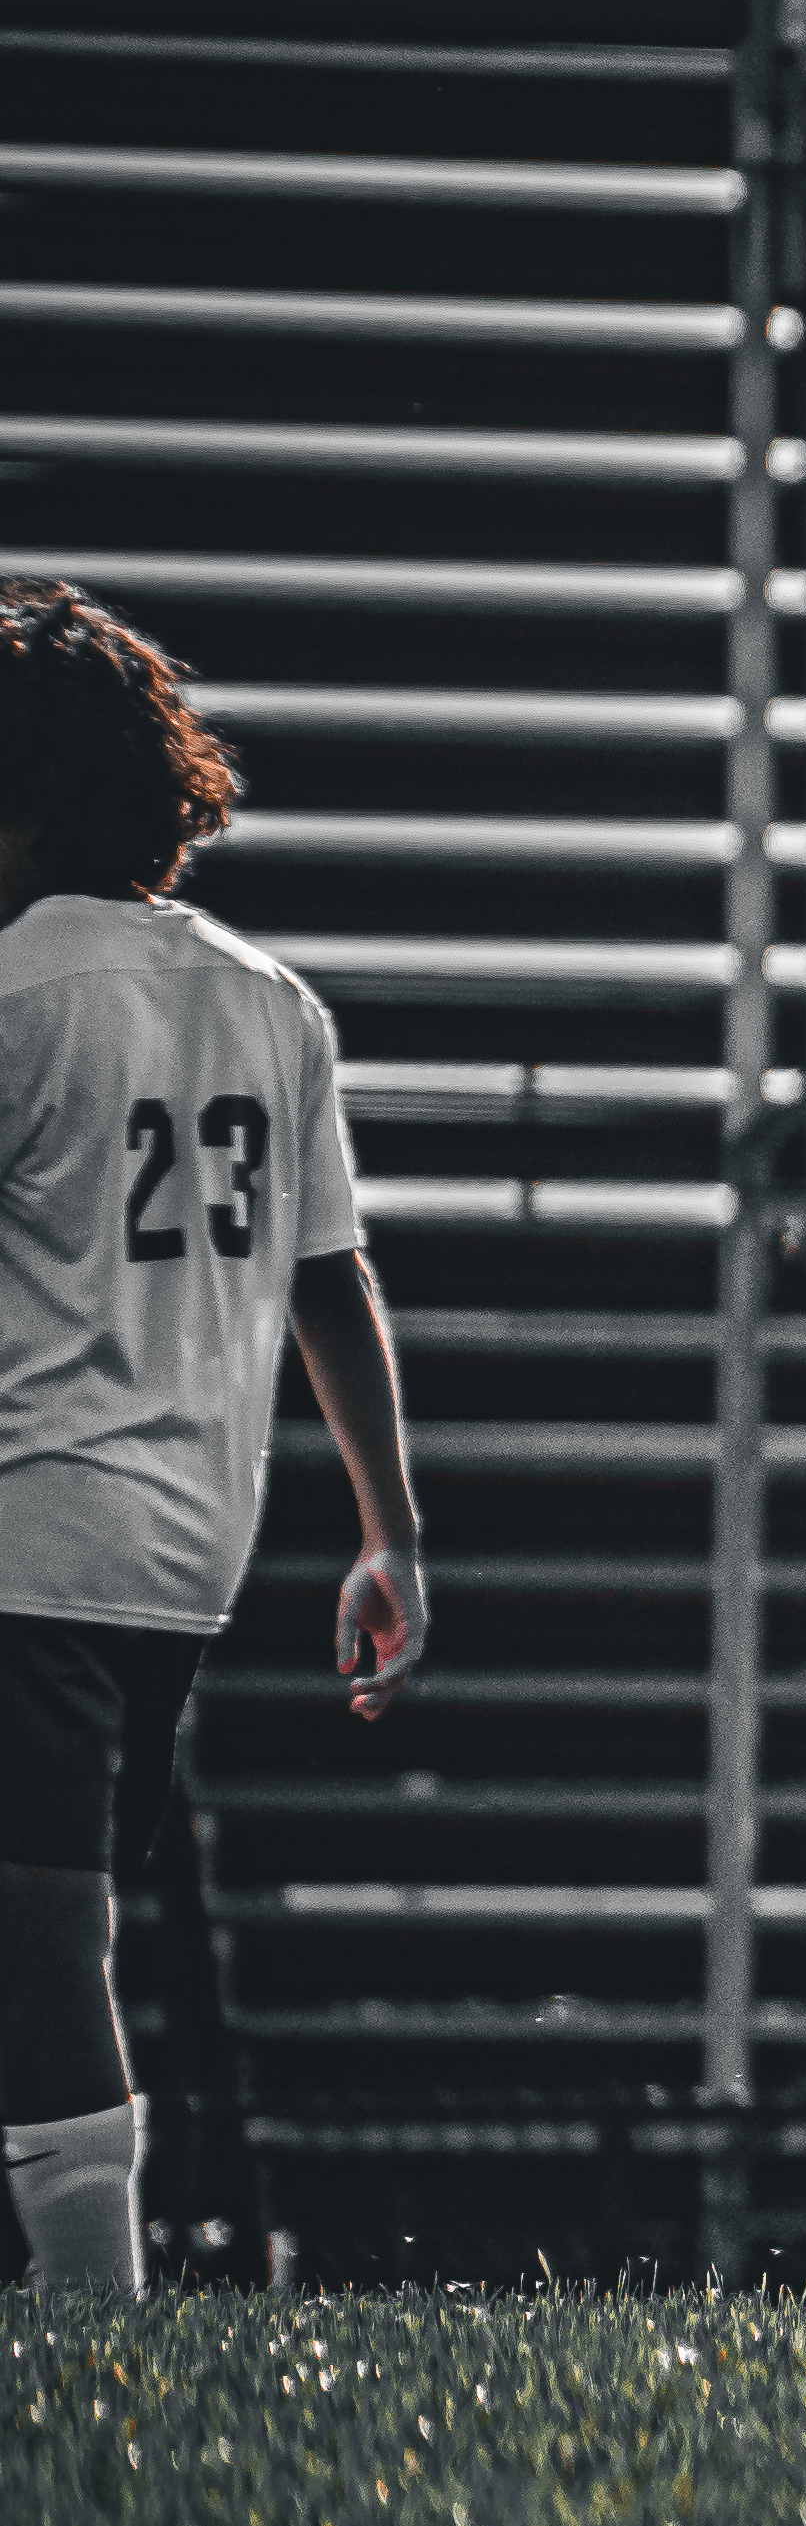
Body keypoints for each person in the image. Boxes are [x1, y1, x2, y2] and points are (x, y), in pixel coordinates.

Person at [0, 583, 424, 2294]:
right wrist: (392, 1530)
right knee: (39, 1929)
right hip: (185, 1543)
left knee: (36, 1942)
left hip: (28, 1516)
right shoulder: (271, 1002)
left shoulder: (18, 993)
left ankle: (101, 2329)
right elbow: (335, 1279)